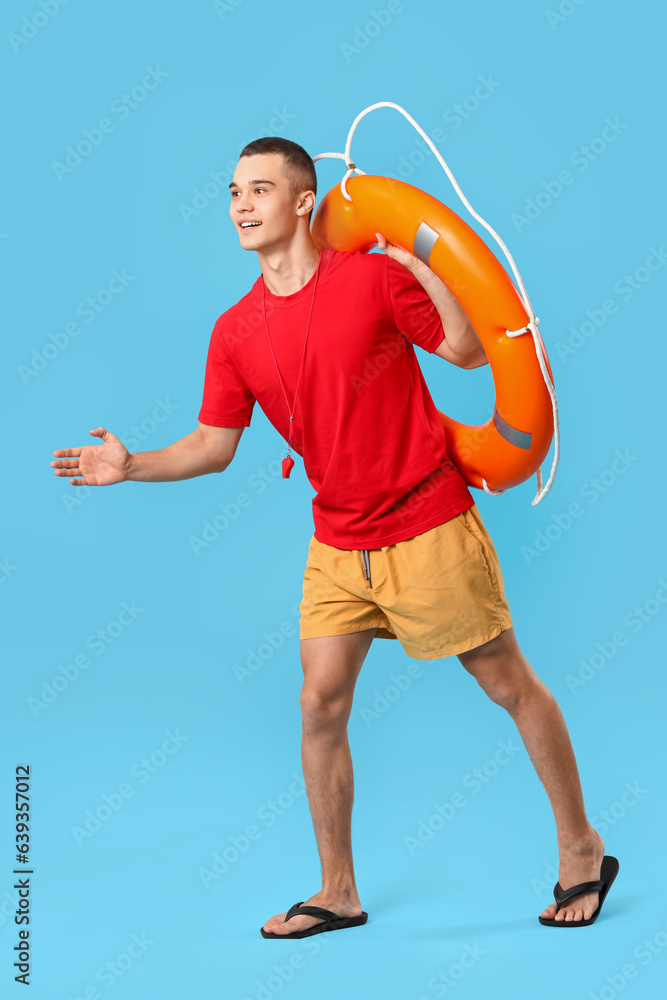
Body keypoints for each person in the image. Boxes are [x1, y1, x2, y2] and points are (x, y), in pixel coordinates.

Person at [51, 136, 616, 937]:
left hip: (426, 519)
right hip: (338, 541)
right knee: (319, 705)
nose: (242, 205)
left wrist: (418, 260)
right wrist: (131, 463)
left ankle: (580, 848)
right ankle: (338, 890)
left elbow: (460, 351)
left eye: (260, 189)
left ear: (304, 200)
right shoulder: (235, 330)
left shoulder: (371, 278)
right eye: (233, 192)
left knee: (506, 685)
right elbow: (214, 447)